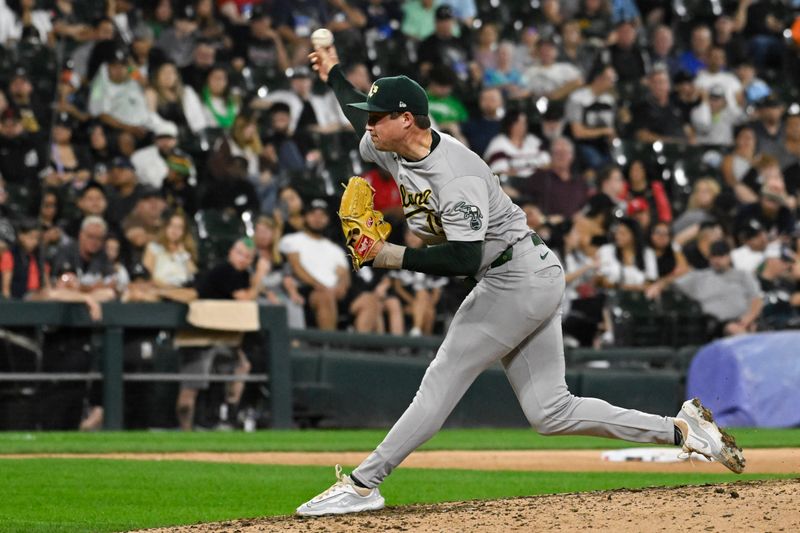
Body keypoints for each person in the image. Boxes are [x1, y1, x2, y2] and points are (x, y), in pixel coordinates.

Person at [298, 38, 745, 516]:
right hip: (526, 271)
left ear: (405, 119)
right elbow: (352, 111)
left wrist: (389, 256)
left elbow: (466, 260)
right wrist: (332, 72)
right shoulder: (392, 145)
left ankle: (365, 484)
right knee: (551, 412)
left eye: (377, 115)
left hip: (514, 277)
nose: (368, 124)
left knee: (441, 379)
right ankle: (681, 430)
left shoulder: (456, 176)